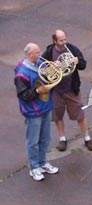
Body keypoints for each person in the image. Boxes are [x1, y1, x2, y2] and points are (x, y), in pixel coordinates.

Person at [42, 29, 92, 152]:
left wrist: (77, 62)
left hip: (71, 89)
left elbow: (83, 65)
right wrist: (52, 65)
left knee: (79, 114)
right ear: (55, 41)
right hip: (56, 90)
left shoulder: (72, 49)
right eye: (61, 40)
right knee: (57, 115)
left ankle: (87, 138)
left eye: (65, 39)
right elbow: (42, 67)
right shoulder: (49, 52)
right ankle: (62, 139)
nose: (64, 42)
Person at [14, 43, 60, 181]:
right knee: (33, 141)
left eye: (39, 51)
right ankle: (34, 167)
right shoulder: (21, 74)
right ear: (29, 55)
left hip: (45, 107)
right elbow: (23, 95)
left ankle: (43, 162)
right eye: (36, 52)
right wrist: (37, 91)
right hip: (33, 112)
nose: (40, 54)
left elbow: (49, 74)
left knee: (45, 138)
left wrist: (57, 67)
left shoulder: (40, 63)